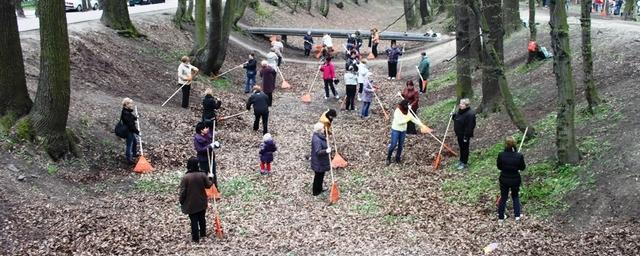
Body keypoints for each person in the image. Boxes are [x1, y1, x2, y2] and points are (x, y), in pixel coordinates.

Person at [179, 157, 213, 243]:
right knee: (202, 218)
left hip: (190, 203)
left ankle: (195, 238)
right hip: (201, 201)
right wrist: (211, 178)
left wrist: (181, 200)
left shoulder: (185, 177)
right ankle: (203, 233)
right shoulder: (202, 175)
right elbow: (208, 185)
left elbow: (183, 191)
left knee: (193, 220)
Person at [387, 100, 427, 165]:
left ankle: (398, 158)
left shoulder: (407, 111)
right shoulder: (397, 111)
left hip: (403, 131)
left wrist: (422, 125)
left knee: (400, 145)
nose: (406, 110)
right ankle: (388, 158)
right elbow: (399, 122)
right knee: (393, 144)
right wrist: (408, 119)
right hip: (396, 130)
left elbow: (414, 119)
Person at [496, 137, 526, 223]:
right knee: (515, 196)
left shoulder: (501, 155)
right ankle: (517, 216)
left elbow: (499, 167)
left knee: (504, 197)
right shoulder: (519, 156)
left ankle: (501, 218)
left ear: (505, 144)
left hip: (504, 178)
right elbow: (522, 167)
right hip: (515, 179)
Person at [452, 98, 476, 170]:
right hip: (459, 134)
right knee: (461, 148)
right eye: (460, 103)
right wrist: (453, 116)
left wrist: (466, 136)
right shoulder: (460, 111)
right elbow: (458, 119)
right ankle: (461, 161)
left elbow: (470, 126)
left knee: (465, 148)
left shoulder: (470, 114)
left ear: (466, 105)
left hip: (465, 135)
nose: (460, 105)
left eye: (462, 104)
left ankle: (464, 163)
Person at [193, 122, 220, 186]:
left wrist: (216, 145)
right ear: (201, 130)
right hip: (203, 160)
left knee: (213, 174)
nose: (207, 129)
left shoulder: (208, 135)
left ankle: (214, 188)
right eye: (205, 128)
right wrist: (210, 146)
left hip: (211, 158)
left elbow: (212, 143)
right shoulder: (197, 139)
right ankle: (205, 189)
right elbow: (199, 150)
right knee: (204, 175)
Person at [310, 122, 332, 196]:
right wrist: (326, 151)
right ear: (319, 130)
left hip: (321, 161)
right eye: (322, 128)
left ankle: (319, 189)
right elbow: (318, 152)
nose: (323, 129)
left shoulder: (319, 136)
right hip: (318, 162)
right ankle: (315, 192)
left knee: (321, 176)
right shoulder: (317, 140)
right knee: (318, 177)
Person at [120, 98, 139, 164]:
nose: (132, 105)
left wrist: (135, 118)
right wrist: (137, 132)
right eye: (131, 103)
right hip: (128, 131)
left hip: (130, 130)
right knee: (129, 145)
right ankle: (129, 160)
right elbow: (130, 125)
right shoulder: (126, 113)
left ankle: (134, 154)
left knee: (135, 142)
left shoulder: (127, 111)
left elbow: (131, 117)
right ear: (127, 104)